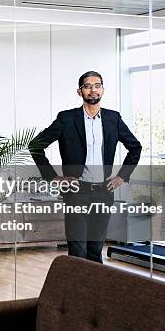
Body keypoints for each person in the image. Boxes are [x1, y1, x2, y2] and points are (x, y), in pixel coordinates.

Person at [29, 71, 142, 263]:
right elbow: (35, 146)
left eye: (97, 85)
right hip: (76, 192)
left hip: (104, 191)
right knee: (78, 250)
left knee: (95, 251)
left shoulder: (113, 119)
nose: (93, 90)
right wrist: (54, 178)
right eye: (88, 86)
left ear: (102, 90)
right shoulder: (66, 119)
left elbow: (135, 147)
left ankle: (93, 293)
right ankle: (75, 292)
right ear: (79, 91)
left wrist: (122, 176)